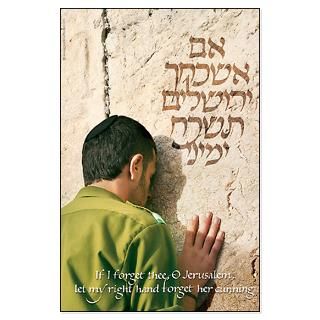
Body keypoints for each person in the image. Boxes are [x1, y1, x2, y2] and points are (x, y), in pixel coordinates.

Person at [61, 115, 225, 311]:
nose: (150, 193)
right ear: (135, 167)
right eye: (151, 177)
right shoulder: (143, 228)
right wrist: (187, 287)